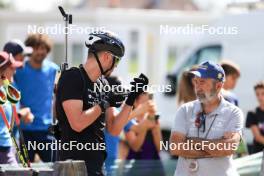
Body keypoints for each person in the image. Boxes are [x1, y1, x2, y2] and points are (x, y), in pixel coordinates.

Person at [55, 31, 149, 176]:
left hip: (97, 165)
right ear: (107, 57)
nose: (116, 66)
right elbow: (77, 123)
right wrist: (104, 104)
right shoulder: (73, 77)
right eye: (116, 61)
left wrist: (131, 98)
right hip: (73, 167)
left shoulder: (103, 84)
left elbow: (114, 129)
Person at [170, 61, 243, 176]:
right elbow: (175, 147)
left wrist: (192, 141)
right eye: (196, 82)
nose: (197, 87)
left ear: (218, 86)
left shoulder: (233, 113)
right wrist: (214, 149)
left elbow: (227, 148)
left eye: (202, 82)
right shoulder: (185, 110)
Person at [14, 34, 59, 162]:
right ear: (29, 50)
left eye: (43, 48)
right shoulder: (19, 70)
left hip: (47, 130)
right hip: (24, 130)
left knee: (54, 170)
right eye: (36, 48)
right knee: (25, 171)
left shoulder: (54, 70)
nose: (40, 51)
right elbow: (12, 96)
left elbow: (58, 96)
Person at [0, 51, 23, 164]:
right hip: (3, 151)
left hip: (7, 148)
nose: (15, 70)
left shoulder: (5, 90)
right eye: (12, 68)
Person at [246, 81, 264, 154]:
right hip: (258, 155)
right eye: (257, 94)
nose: (260, 97)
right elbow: (258, 137)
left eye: (263, 94)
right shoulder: (252, 113)